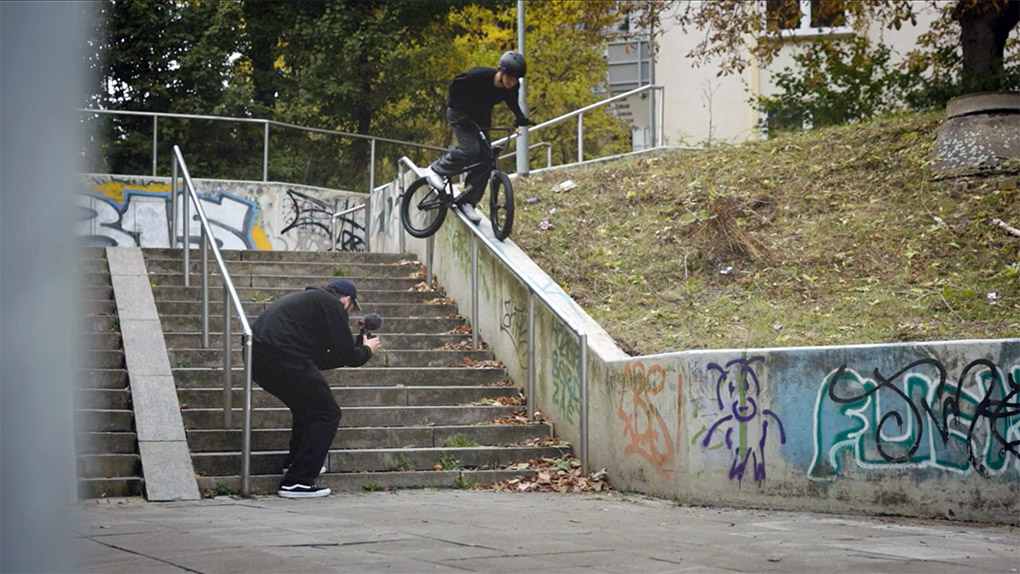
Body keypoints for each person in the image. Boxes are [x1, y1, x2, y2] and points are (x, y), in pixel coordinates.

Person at [251, 278, 381, 498]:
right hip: (285, 357)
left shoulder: (309, 302)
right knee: (327, 414)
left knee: (307, 409)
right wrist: (367, 350)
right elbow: (349, 356)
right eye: (350, 308)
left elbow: (323, 359)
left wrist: (357, 349)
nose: (348, 313)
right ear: (346, 300)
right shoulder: (332, 304)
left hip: (260, 359)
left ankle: (296, 464)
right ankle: (297, 481)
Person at [423, 50, 532, 225]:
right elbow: (454, 87)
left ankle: (467, 201)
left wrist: (520, 117)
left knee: (487, 159)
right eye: (510, 78)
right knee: (470, 150)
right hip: (459, 114)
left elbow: (512, 101)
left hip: (480, 119)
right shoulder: (479, 76)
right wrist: (460, 109)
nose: (512, 82)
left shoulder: (512, 87)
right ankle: (436, 169)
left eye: (516, 79)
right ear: (501, 72)